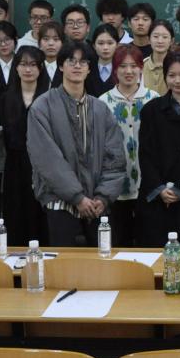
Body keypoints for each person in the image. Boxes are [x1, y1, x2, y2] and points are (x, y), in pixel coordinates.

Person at [28, 40, 125, 247]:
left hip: (98, 204)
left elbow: (115, 159)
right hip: (59, 202)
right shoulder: (42, 107)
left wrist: (103, 197)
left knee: (102, 262)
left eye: (83, 62)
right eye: (71, 61)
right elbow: (47, 161)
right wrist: (77, 198)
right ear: (61, 66)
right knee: (64, 264)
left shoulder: (101, 109)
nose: (77, 66)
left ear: (90, 68)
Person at [136, 50, 180, 246]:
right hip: (156, 197)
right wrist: (159, 188)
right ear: (165, 77)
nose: (177, 81)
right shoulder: (151, 110)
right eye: (172, 75)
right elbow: (145, 154)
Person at [100, 45, 161, 246]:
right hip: (116, 186)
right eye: (122, 66)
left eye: (134, 66)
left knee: (148, 242)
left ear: (141, 68)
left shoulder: (154, 99)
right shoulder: (103, 102)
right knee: (119, 242)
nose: (128, 71)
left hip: (149, 185)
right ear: (115, 69)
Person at [0, 45, 50, 246]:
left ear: (40, 68)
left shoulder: (49, 96)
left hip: (42, 163)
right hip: (15, 162)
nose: (28, 69)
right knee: (15, 210)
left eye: (33, 65)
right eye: (23, 64)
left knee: (39, 211)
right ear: (16, 68)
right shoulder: (6, 97)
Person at [85, 23, 121, 97]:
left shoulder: (122, 68)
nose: (105, 47)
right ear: (94, 46)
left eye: (110, 43)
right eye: (101, 43)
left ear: (117, 45)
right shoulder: (87, 68)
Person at [142, 20, 175, 96]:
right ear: (149, 40)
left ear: (171, 41)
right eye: (156, 36)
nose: (160, 41)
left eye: (165, 37)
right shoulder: (141, 66)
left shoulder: (178, 66)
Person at [37, 21, 65, 88]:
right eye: (46, 39)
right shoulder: (35, 65)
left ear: (62, 43)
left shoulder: (67, 67)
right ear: (39, 43)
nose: (51, 43)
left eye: (56, 39)